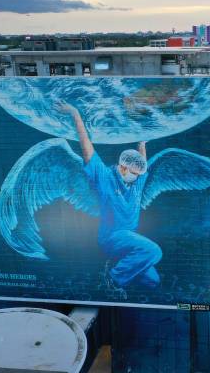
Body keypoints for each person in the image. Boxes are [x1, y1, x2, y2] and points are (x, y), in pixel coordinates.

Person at [56, 101, 162, 289]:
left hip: (129, 238)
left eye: (139, 174)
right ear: (122, 167)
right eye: (133, 173)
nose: (137, 177)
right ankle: (110, 280)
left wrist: (142, 143)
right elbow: (87, 148)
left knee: (153, 281)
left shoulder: (136, 181)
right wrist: (75, 114)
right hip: (111, 237)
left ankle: (118, 268)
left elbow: (141, 163)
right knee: (153, 251)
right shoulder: (104, 177)